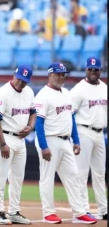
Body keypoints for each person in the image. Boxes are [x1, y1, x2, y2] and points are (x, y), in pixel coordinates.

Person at [34, 63, 97, 224]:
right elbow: (39, 123)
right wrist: (43, 146)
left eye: (63, 74)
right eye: (57, 74)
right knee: (47, 177)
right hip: (49, 139)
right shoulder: (43, 95)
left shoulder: (67, 93)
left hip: (65, 140)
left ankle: (79, 212)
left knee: (74, 176)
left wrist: (76, 140)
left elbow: (71, 119)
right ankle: (48, 213)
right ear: (50, 75)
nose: (61, 77)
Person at [0, 65, 36, 225]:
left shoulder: (29, 92)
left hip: (20, 139)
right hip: (6, 137)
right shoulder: (3, 92)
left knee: (18, 178)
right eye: (19, 79)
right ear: (14, 75)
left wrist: (30, 127)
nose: (20, 83)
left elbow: (33, 112)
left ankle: (14, 211)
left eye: (24, 81)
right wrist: (2, 143)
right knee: (0, 177)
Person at [70, 57, 107, 220]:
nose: (93, 72)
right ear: (86, 70)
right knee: (81, 173)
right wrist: (75, 138)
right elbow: (69, 114)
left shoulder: (105, 87)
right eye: (90, 69)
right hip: (83, 131)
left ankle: (103, 209)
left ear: (100, 70)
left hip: (100, 133)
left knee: (100, 174)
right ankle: (83, 210)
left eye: (96, 69)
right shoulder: (79, 89)